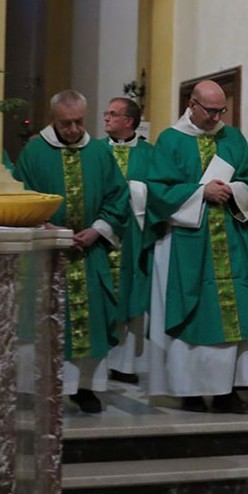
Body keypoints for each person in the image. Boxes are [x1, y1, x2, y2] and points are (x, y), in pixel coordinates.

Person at [145, 80, 248, 412]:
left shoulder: (233, 138)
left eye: (221, 110)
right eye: (210, 110)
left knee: (232, 318)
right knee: (192, 315)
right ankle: (191, 391)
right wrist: (201, 194)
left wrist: (234, 190)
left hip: (230, 241)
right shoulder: (170, 140)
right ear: (191, 105)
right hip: (187, 243)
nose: (216, 117)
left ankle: (227, 391)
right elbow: (156, 190)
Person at [14, 90, 128, 413]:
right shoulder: (34, 152)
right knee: (47, 320)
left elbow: (118, 197)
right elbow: (21, 197)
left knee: (93, 320)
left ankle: (86, 388)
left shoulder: (99, 153)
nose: (74, 129)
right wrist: (48, 228)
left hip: (89, 253)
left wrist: (98, 229)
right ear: (54, 119)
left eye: (79, 122)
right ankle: (44, 387)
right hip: (49, 255)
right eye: (67, 123)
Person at [101, 96, 155, 385]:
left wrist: (134, 191)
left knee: (132, 296)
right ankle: (100, 363)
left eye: (113, 114)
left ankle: (126, 364)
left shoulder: (150, 153)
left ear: (129, 122)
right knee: (103, 297)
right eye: (106, 114)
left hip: (135, 238)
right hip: (102, 238)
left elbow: (160, 188)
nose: (106, 118)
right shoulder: (95, 151)